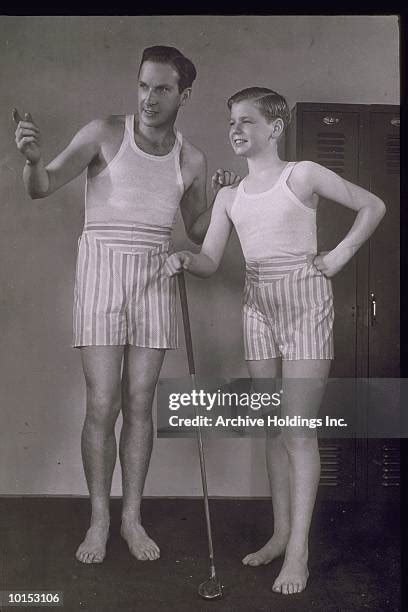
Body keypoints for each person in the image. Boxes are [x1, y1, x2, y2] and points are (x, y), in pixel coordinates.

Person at [13, 45, 239, 565]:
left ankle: (132, 518)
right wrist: (30, 161)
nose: (148, 98)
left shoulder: (192, 158)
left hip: (156, 274)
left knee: (140, 405)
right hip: (101, 271)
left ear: (183, 94)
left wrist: (223, 199)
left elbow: (200, 230)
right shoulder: (102, 133)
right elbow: (42, 187)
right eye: (143, 85)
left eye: (161, 88)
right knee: (102, 403)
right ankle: (99, 520)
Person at [165, 87, 386, 595]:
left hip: (305, 299)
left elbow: (372, 205)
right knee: (272, 427)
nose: (235, 130)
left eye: (246, 121)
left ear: (275, 127)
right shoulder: (228, 196)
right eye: (230, 122)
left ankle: (300, 554)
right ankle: (280, 535)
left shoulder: (301, 174)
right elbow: (211, 260)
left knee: (297, 430)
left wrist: (339, 256)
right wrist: (184, 257)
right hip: (257, 303)